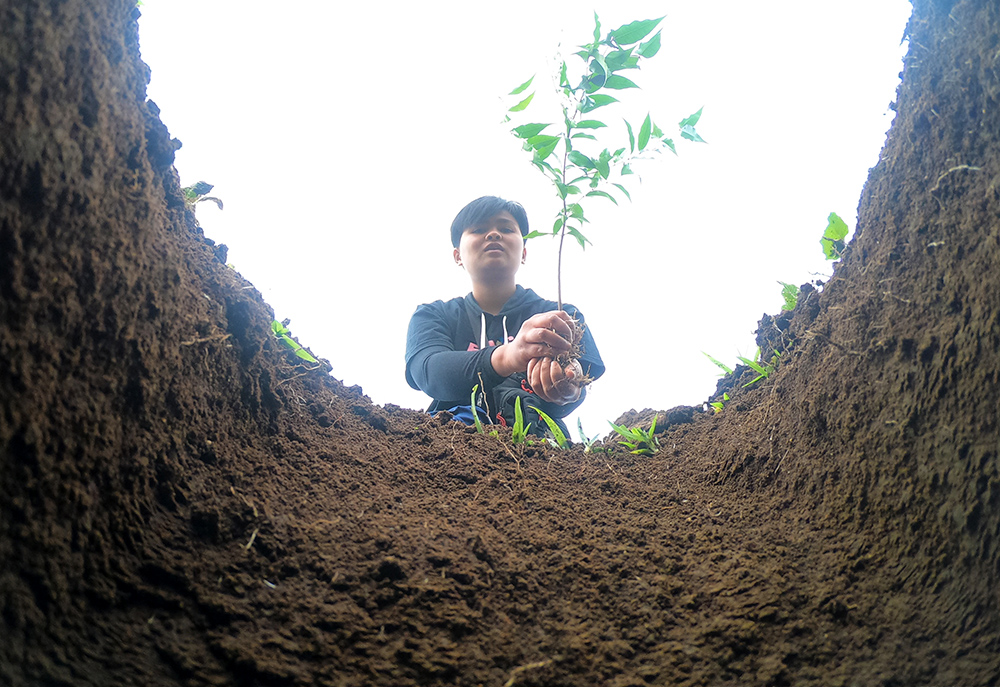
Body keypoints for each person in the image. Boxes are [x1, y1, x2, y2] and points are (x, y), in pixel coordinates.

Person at [405, 196, 605, 436]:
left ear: (524, 252)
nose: (493, 234)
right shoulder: (433, 315)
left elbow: (578, 382)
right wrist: (508, 356)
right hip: (449, 445)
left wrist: (569, 386)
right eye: (479, 229)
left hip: (539, 449)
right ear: (457, 255)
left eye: (506, 228)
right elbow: (429, 372)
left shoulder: (562, 316)